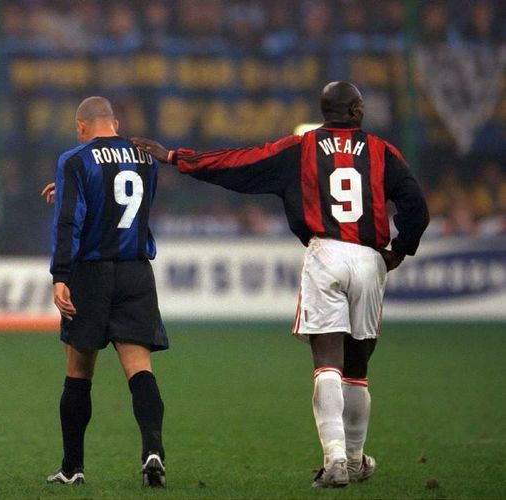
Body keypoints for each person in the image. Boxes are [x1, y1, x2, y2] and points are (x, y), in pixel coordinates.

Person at [132, 81, 429, 489]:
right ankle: (355, 459)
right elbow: (417, 206)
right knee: (357, 370)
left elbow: (238, 163)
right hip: (369, 258)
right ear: (356, 111)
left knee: (327, 361)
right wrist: (399, 250)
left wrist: (175, 157)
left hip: (325, 253)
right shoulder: (382, 152)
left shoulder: (300, 149)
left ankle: (335, 459)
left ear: (325, 111)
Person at [42, 96, 168, 488]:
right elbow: (127, 204)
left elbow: (69, 223)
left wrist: (60, 275)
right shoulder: (145, 157)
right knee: (139, 368)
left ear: (81, 126)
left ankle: (72, 468)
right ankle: (152, 451)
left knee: (78, 372)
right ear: (115, 123)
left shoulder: (75, 160)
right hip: (135, 272)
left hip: (91, 275)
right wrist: (69, 190)